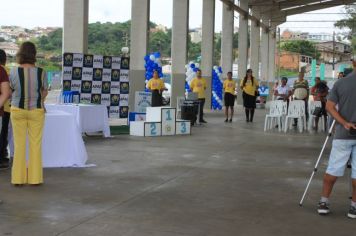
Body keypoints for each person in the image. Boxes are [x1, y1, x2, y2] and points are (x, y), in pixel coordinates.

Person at [317, 60, 356, 218]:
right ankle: (354, 207)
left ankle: (324, 202)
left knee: (333, 168)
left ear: (353, 63)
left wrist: (344, 123)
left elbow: (329, 107)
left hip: (343, 133)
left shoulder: (341, 83)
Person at [9, 41, 48, 186]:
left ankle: (18, 179)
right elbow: (44, 91)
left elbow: (11, 90)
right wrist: (40, 100)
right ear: (34, 54)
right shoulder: (41, 72)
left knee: (19, 145)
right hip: (36, 111)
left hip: (17, 110)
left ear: (20, 53)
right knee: (35, 145)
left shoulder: (13, 71)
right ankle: (35, 179)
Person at [0, 49, 11, 169]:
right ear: (5, 60)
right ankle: (2, 157)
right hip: (6, 107)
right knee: (3, 133)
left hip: (5, 107)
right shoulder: (6, 71)